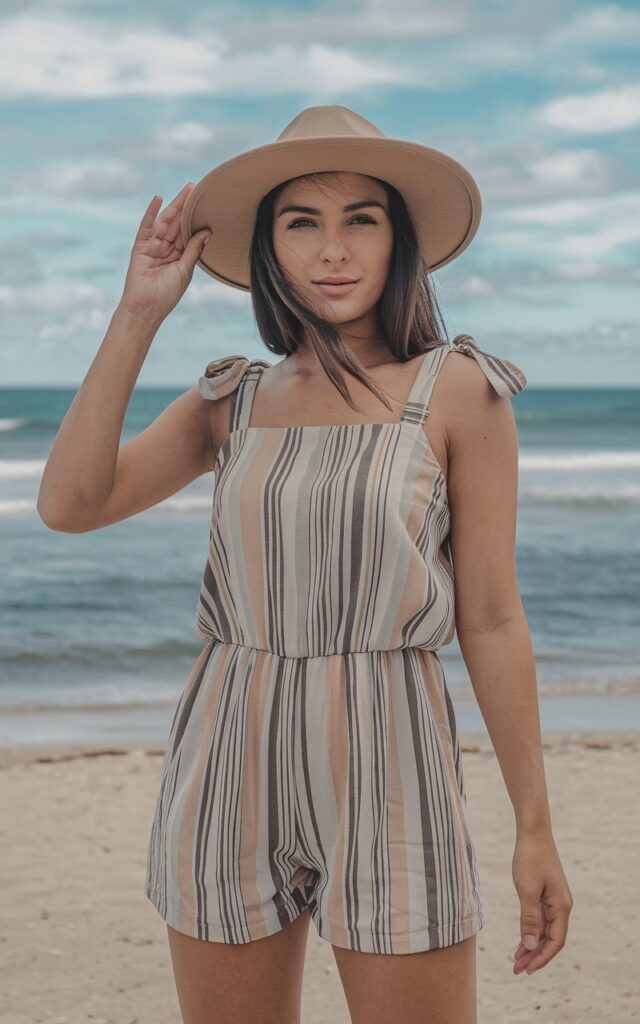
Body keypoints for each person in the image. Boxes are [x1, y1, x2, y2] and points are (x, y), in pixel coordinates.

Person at [38, 105, 573, 1024]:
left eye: (361, 219)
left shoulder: (458, 390)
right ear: (269, 250)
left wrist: (535, 824)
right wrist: (137, 316)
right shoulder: (230, 398)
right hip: (224, 742)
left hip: (390, 742)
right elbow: (71, 505)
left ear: (397, 240)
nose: (333, 250)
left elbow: (489, 616)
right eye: (302, 223)